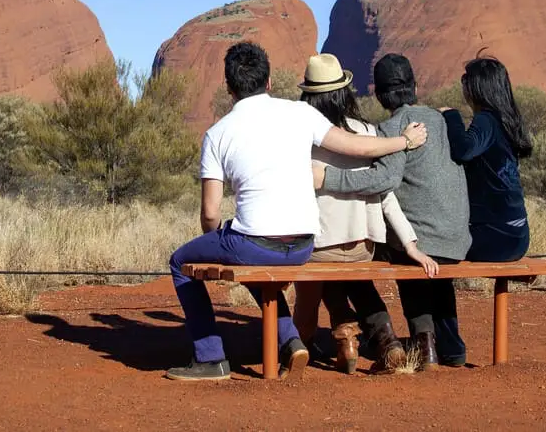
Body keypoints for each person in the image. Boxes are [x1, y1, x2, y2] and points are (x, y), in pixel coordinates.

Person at [165, 42, 428, 382]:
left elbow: (210, 212)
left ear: (229, 87)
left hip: (255, 243)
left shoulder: (217, 134)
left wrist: (215, 242)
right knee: (253, 257)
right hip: (304, 243)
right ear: (270, 81)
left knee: (180, 262)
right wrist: (403, 142)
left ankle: (210, 358)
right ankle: (290, 341)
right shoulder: (300, 114)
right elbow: (358, 146)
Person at [313, 53, 471, 368]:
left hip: (426, 240)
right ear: (414, 85)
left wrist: (327, 178)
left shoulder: (392, 127)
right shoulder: (440, 119)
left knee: (360, 254)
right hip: (458, 237)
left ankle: (415, 344)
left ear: (379, 93)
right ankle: (444, 347)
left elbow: (383, 180)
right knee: (413, 254)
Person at [292, 53, 436, 375]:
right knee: (343, 275)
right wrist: (409, 242)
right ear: (344, 92)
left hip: (319, 246)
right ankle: (365, 341)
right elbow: (384, 192)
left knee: (310, 292)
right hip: (362, 247)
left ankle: (300, 346)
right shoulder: (369, 132)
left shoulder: (303, 137)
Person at [439, 57, 534, 262]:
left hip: (495, 238)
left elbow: (463, 150)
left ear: (477, 88)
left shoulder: (487, 120)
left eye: (466, 82)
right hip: (517, 236)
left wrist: (451, 116)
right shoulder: (508, 120)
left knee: (431, 247)